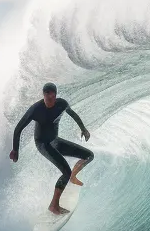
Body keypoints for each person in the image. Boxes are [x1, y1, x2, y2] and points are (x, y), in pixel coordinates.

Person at [9, 82, 93, 215]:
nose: (48, 100)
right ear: (43, 96)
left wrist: (83, 129)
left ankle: (72, 176)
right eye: (46, 97)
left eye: (51, 97)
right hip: (42, 144)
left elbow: (73, 114)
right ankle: (54, 206)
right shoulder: (35, 109)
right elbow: (18, 129)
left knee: (89, 156)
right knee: (66, 171)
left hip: (55, 141)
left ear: (55, 96)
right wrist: (15, 150)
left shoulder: (62, 104)